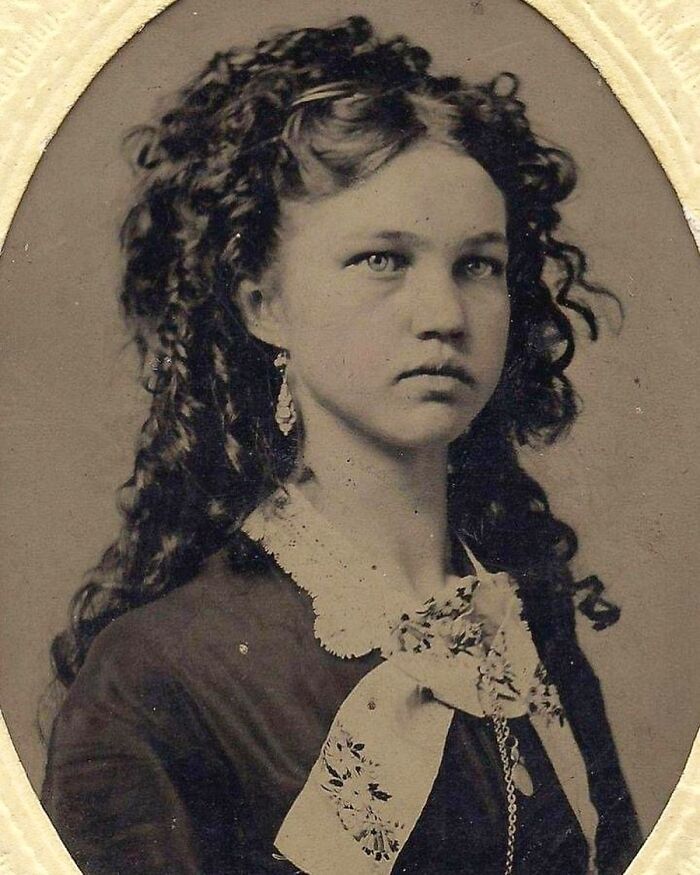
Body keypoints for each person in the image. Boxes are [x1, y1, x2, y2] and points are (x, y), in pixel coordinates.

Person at [41, 16, 642, 875]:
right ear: (263, 304)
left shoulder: (522, 628)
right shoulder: (156, 678)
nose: (443, 315)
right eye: (381, 260)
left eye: (477, 265)